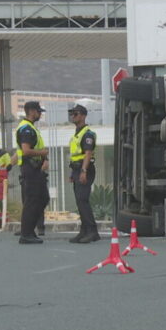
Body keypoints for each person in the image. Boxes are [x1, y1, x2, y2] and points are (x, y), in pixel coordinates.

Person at [16, 101, 50, 244]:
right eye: (38, 111)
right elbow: (26, 150)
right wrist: (42, 152)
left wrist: (44, 157)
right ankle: (26, 233)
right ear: (31, 111)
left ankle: (29, 230)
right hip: (30, 168)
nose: (40, 114)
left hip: (36, 168)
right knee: (32, 201)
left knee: (42, 199)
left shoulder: (31, 128)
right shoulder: (26, 129)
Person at [67, 104, 100, 243]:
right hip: (76, 169)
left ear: (83, 116)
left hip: (84, 168)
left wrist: (83, 171)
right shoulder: (76, 134)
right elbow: (75, 155)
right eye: (72, 113)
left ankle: (92, 231)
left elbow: (87, 154)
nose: (73, 116)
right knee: (79, 201)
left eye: (76, 113)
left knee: (83, 200)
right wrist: (73, 172)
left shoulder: (87, 134)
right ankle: (84, 230)